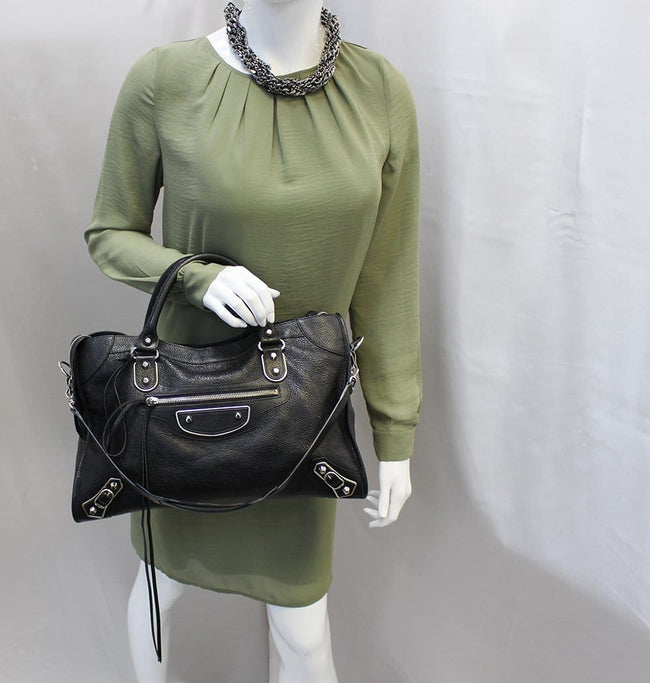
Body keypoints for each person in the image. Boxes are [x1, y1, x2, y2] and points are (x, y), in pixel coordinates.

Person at [83, 1, 421, 680]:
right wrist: (195, 278)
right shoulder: (166, 80)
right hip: (183, 410)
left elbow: (386, 278)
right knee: (162, 589)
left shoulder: (379, 91)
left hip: (301, 418)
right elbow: (110, 234)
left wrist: (395, 433)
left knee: (304, 631)